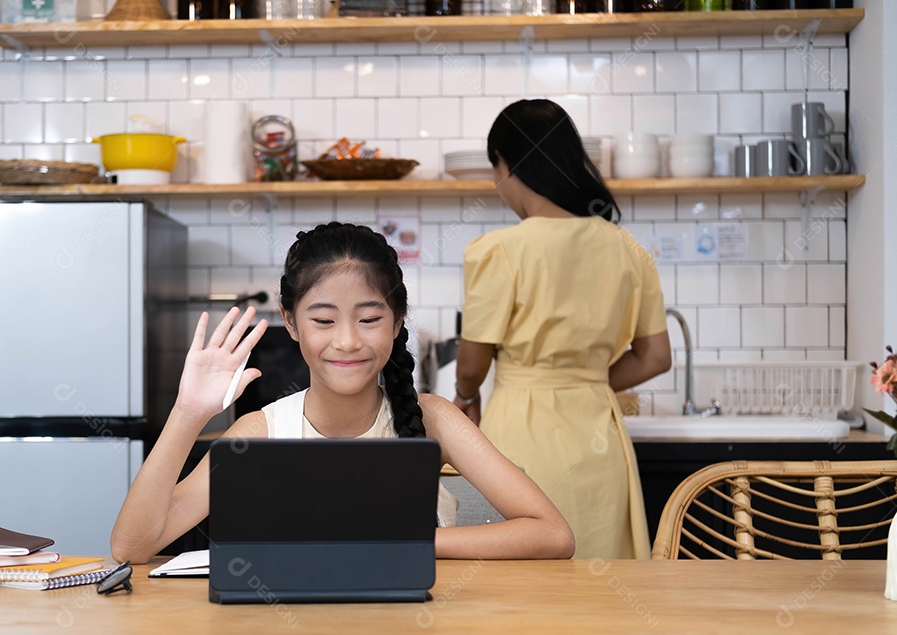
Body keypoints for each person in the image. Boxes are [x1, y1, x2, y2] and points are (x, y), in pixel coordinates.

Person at [111, 222, 575, 564]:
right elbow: (132, 547)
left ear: (397, 322)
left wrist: (404, 544)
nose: (348, 340)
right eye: (324, 320)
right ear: (291, 322)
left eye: (370, 319)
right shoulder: (261, 431)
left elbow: (553, 535)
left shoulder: (434, 418)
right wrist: (189, 412)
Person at [454, 99, 672, 560]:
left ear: (509, 166)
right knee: (599, 571)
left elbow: (474, 360)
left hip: (520, 425)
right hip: (598, 431)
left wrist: (466, 396)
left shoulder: (497, 250)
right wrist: (582, 381)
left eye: (496, 170)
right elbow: (655, 357)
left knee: (523, 570)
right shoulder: (628, 248)